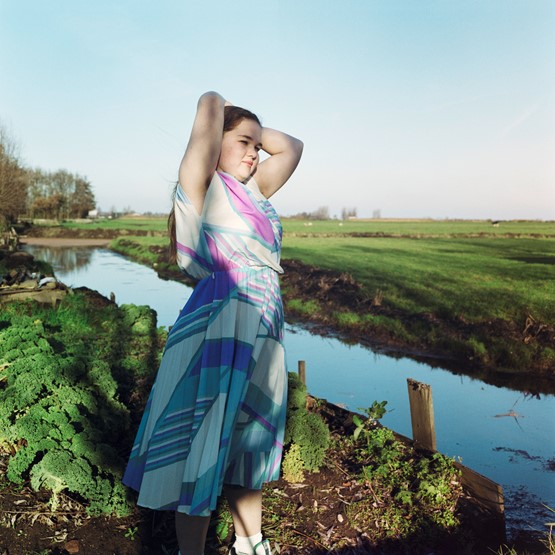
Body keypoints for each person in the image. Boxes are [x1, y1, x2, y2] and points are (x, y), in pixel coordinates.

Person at [123, 91, 303, 555]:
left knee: (251, 442)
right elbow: (209, 101)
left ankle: (251, 544)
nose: (255, 152)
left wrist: (251, 131)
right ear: (215, 141)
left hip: (263, 327)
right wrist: (227, 114)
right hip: (219, 328)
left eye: (257, 147)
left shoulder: (255, 191)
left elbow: (293, 147)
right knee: (201, 443)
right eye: (244, 142)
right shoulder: (203, 186)